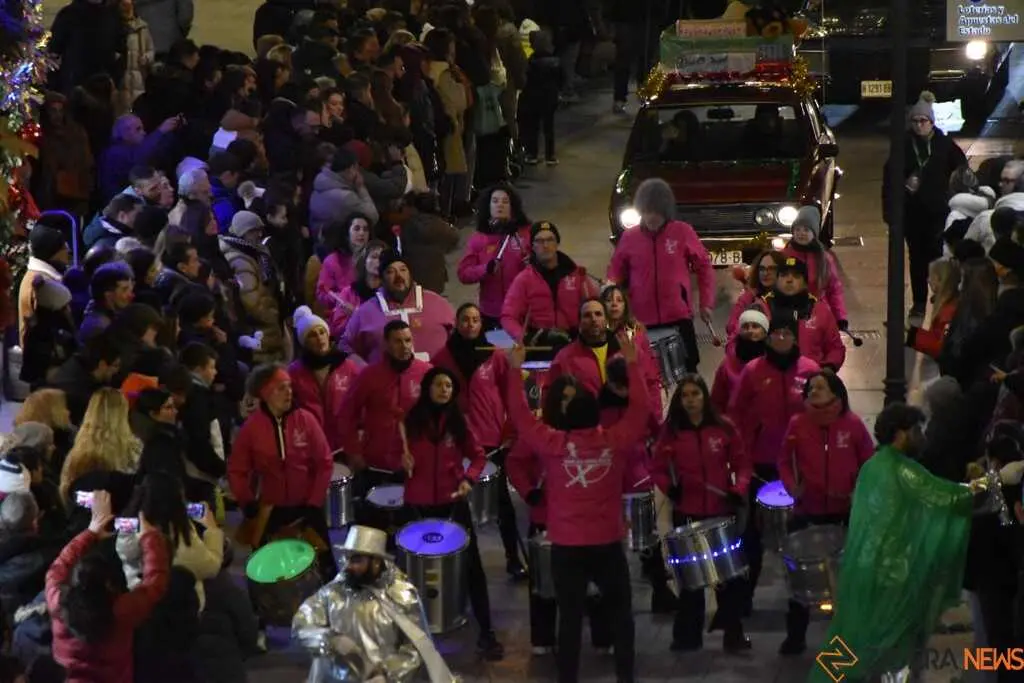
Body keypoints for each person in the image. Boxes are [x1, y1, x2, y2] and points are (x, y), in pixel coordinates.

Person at [806, 403, 1024, 683]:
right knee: (888, 647)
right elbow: (949, 498)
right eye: (916, 430)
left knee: (853, 634)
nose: (921, 436)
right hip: (892, 577)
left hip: (866, 569)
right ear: (900, 434)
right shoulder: (902, 470)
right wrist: (996, 480)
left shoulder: (874, 466)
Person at [504, 332, 650, 683]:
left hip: (567, 545)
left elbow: (521, 415)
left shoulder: (553, 443)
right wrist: (632, 362)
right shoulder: (614, 440)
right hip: (607, 542)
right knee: (622, 616)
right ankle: (625, 678)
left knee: (568, 619)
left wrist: (514, 370)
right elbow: (640, 409)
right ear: (597, 417)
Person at [399, 367, 504, 660]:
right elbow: (393, 454)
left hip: (452, 503)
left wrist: (468, 478)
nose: (444, 389)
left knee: (472, 568)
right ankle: (405, 635)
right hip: (416, 506)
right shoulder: (410, 422)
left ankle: (487, 632)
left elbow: (479, 455)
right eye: (438, 384)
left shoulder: (458, 423)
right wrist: (400, 458)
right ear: (427, 387)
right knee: (406, 574)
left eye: (449, 385)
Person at [505, 375, 614, 655]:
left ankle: (603, 637)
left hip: (585, 521)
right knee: (544, 583)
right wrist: (530, 492)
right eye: (563, 398)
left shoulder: (594, 434)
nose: (568, 403)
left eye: (572, 398)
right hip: (547, 519)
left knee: (596, 582)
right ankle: (543, 638)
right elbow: (515, 463)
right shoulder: (541, 433)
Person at [776, 371, 874, 656]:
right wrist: (792, 487)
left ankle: (847, 641)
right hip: (807, 512)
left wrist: (860, 492)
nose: (813, 391)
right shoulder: (798, 424)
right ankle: (795, 637)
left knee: (845, 582)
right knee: (800, 579)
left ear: (836, 392)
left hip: (844, 514)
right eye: (810, 388)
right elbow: (783, 460)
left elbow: (868, 462)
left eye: (821, 386)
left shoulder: (852, 425)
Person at [651, 374, 751, 652]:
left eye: (696, 394)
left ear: (705, 396)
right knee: (691, 581)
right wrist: (670, 488)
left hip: (721, 513)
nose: (691, 400)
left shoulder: (724, 428)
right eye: (685, 395)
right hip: (688, 514)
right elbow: (657, 467)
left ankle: (733, 634)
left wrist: (738, 488)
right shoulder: (670, 432)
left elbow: (742, 464)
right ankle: (686, 637)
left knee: (729, 579)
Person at [430, 303, 525, 579]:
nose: (471, 324)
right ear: (456, 324)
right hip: (457, 442)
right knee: (457, 505)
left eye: (475, 320)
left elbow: (512, 396)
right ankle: (459, 561)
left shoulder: (494, 356)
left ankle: (513, 557)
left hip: (491, 439)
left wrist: (510, 431)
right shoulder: (441, 358)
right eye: (465, 320)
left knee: (502, 504)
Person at [292, 525, 457, 683]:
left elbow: (415, 648)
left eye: (357, 560)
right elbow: (302, 624)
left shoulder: (401, 596)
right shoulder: (332, 593)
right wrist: (328, 639)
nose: (349, 565)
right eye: (347, 558)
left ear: (376, 562)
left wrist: (388, 675)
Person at [46, 490, 169, 683]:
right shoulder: (122, 610)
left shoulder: (58, 601)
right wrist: (151, 538)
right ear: (109, 584)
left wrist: (91, 532)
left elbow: (59, 566)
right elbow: (155, 583)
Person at [228, 363, 336, 579]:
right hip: (270, 510)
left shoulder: (306, 419)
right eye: (280, 388)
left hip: (306, 507)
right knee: (268, 572)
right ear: (265, 394)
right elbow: (236, 470)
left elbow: (324, 462)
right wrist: (247, 501)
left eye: (289, 387)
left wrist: (314, 501)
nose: (288, 392)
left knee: (324, 567)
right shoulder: (252, 428)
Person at [606, 177, 715, 373]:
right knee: (643, 372)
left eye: (656, 212)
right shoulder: (630, 238)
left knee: (689, 370)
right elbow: (615, 270)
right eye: (647, 211)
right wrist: (610, 291)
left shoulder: (682, 232)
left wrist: (706, 303)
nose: (652, 217)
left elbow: (704, 266)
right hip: (641, 319)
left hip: (678, 316)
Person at [882, 90, 967, 322]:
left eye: (923, 121)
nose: (919, 125)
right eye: (915, 121)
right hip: (912, 213)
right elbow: (889, 178)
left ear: (932, 122)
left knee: (937, 255)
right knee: (916, 258)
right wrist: (891, 208)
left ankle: (940, 295)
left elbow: (962, 169)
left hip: (938, 211)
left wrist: (955, 193)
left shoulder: (944, 144)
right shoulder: (903, 146)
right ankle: (919, 301)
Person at [339, 320, 431, 527]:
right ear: (386, 344)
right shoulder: (369, 375)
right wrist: (353, 452)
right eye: (398, 341)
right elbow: (346, 414)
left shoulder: (426, 373)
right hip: (376, 465)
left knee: (412, 529)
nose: (404, 346)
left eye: (408, 340)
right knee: (373, 529)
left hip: (414, 466)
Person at [341, 250, 455, 363]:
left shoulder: (437, 303)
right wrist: (366, 371)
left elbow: (458, 336)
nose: (399, 276)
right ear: (382, 278)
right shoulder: (366, 311)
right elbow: (345, 346)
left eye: (403, 270)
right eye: (390, 271)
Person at [501, 221, 598, 352]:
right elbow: (508, 317)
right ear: (532, 246)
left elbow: (595, 306)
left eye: (550, 240)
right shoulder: (523, 280)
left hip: (575, 344)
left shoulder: (577, 275)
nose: (545, 245)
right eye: (539, 241)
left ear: (557, 243)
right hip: (540, 347)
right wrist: (525, 337)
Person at [457, 185, 532, 330]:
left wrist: (533, 264)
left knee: (519, 349)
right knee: (498, 350)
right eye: (495, 201)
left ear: (513, 207)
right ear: (488, 206)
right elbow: (464, 273)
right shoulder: (479, 239)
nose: (500, 205)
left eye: (505, 201)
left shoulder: (526, 235)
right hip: (492, 313)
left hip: (522, 311)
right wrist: (486, 269)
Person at [288, 306, 362, 451]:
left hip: (345, 444)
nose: (319, 338)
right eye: (312, 335)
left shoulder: (348, 366)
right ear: (304, 342)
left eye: (322, 332)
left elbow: (362, 402)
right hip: (312, 444)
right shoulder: (294, 372)